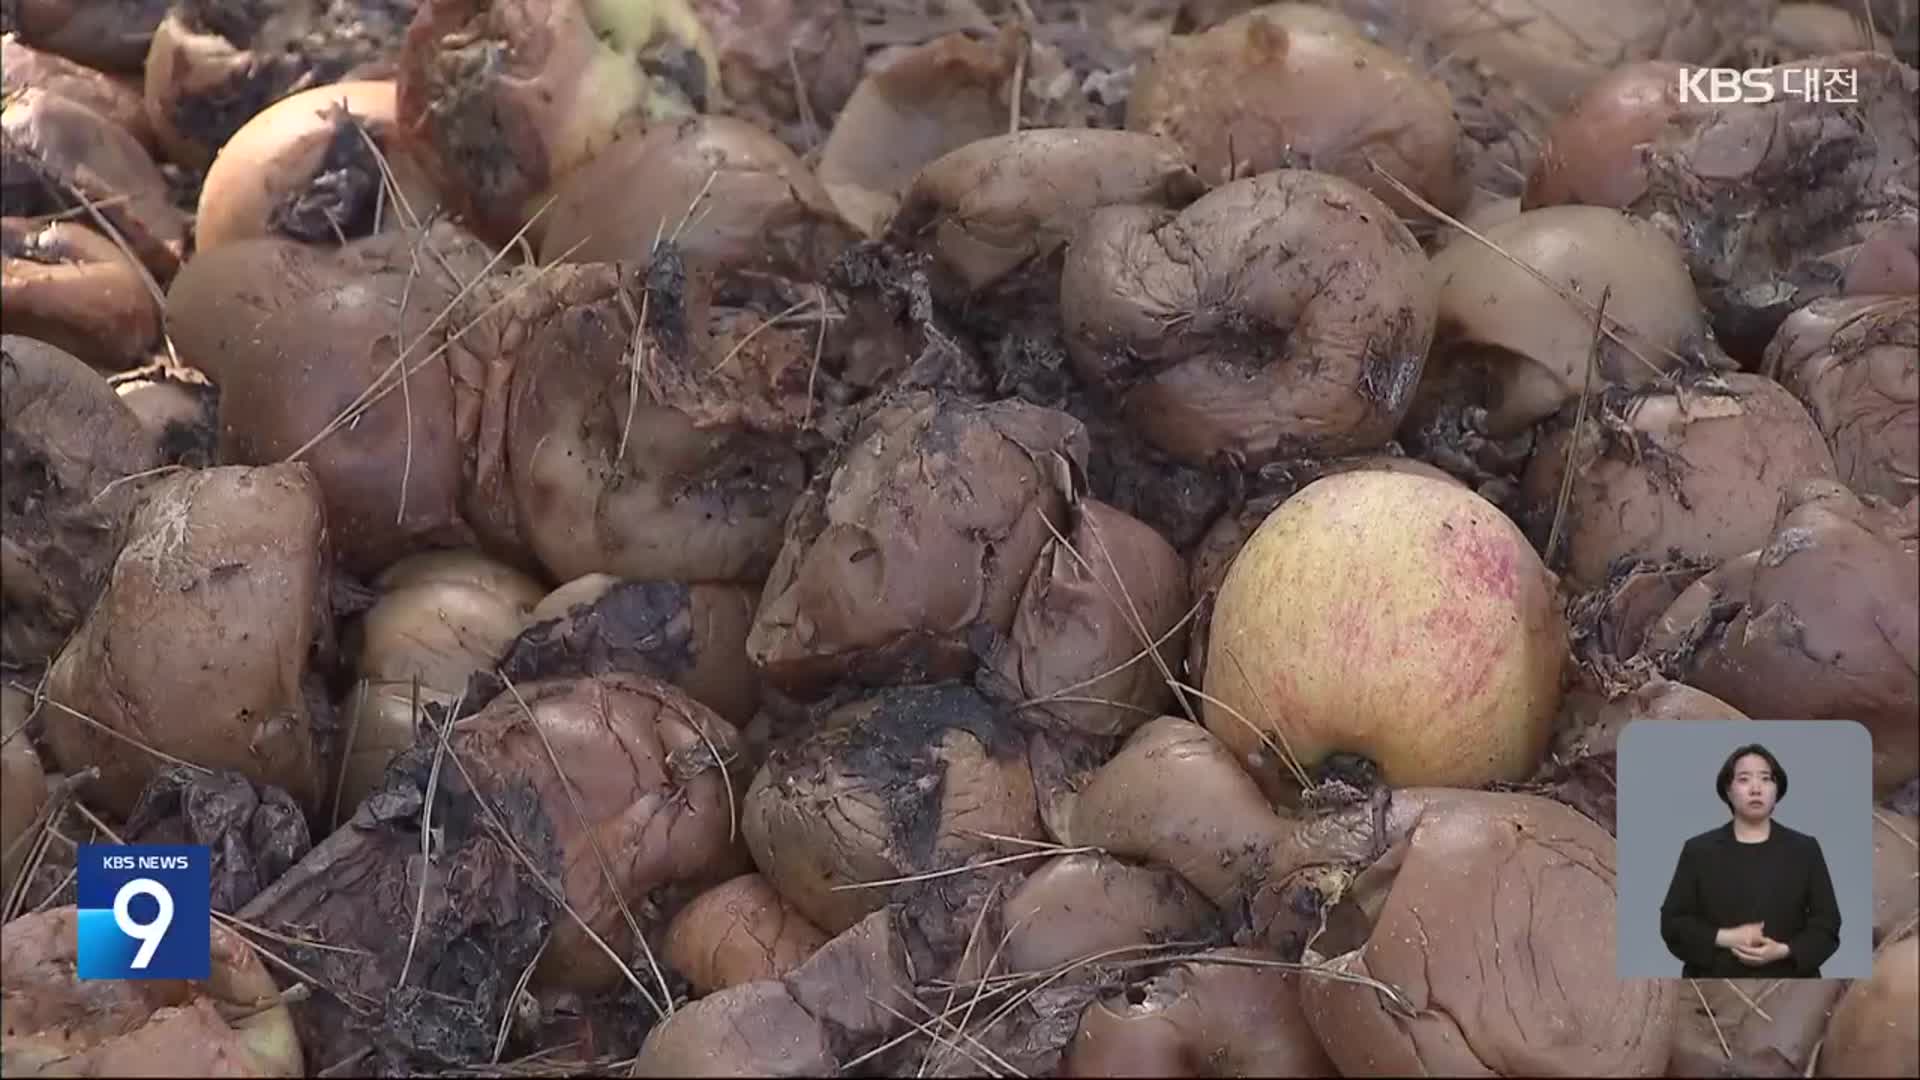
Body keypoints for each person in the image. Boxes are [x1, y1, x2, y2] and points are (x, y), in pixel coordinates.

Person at [1659, 743, 1842, 978]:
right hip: (1712, 987)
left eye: (1766, 779)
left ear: (1777, 790)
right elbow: (1673, 923)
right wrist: (1728, 938)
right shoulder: (1698, 851)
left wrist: (1784, 951)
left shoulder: (1805, 849)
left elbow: (1827, 924)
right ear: (1728, 789)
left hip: (1791, 988)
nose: (1756, 789)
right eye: (1744, 779)